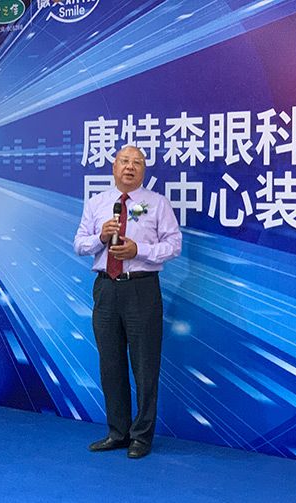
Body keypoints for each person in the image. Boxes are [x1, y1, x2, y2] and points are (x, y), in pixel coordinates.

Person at [73, 145, 182, 458]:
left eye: (137, 162)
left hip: (141, 289)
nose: (130, 167)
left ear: (143, 170)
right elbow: (79, 244)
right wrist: (100, 238)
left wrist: (140, 251)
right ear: (114, 166)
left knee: (145, 365)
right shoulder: (97, 203)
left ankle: (141, 437)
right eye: (124, 161)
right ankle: (117, 432)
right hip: (106, 289)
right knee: (111, 364)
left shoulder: (157, 203)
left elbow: (174, 245)